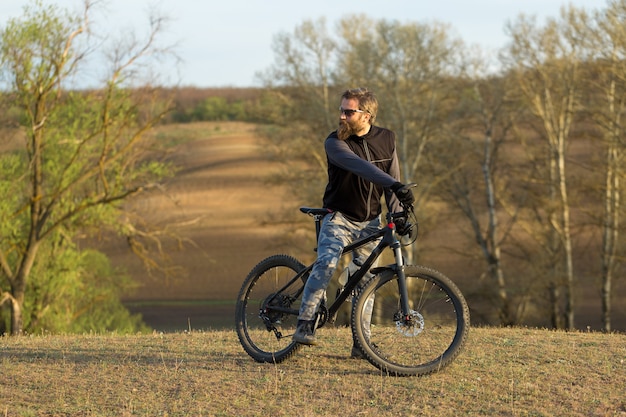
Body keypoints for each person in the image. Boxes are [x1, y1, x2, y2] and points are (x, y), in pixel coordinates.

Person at [292, 87, 415, 357]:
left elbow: (392, 182)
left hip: (370, 221)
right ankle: (304, 323)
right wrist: (395, 184)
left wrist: (398, 214)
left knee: (366, 281)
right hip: (338, 217)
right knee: (327, 263)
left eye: (349, 111)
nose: (342, 117)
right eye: (341, 110)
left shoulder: (387, 139)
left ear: (367, 115)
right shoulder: (335, 142)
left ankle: (362, 343)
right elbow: (362, 167)